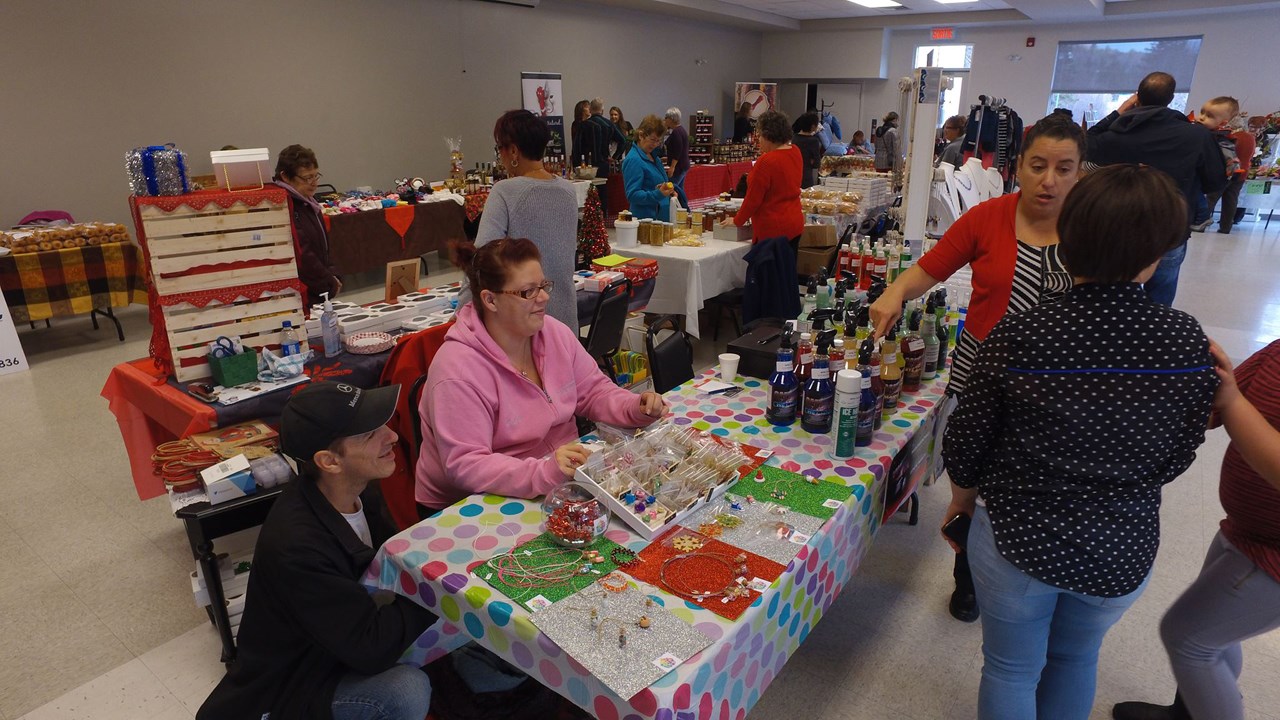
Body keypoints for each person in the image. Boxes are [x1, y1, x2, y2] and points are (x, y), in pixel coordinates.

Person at [944, 164, 1218, 720]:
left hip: (1019, 536)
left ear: (1066, 242)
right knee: (1076, 658)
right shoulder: (1185, 339)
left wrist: (962, 497)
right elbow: (1180, 451)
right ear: (1159, 253)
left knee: (1010, 669)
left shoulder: (1024, 332)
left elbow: (967, 438)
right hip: (1122, 542)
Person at [870, 114, 1087, 623]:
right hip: (981, 379)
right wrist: (894, 293)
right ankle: (968, 580)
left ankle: (1032, 579)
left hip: (1056, 392)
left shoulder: (1093, 228)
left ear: (1081, 173)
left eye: (1064, 168)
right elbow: (931, 266)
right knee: (970, 487)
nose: (1049, 180)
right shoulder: (989, 217)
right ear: (1019, 166)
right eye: (1038, 166)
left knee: (1037, 492)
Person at [199, 381, 436, 720]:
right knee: (404, 690)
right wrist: (439, 593)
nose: (392, 436)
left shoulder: (355, 490)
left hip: (334, 644)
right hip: (293, 685)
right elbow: (372, 649)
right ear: (329, 461)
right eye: (369, 434)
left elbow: (390, 563)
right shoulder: (298, 546)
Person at [415, 238, 666, 515]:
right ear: (490, 300)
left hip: (554, 479)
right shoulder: (458, 371)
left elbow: (593, 391)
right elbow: (467, 465)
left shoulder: (552, 333)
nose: (544, 297)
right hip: (470, 505)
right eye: (528, 292)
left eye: (543, 286)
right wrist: (544, 471)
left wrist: (634, 407)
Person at [1112, 339, 1280, 720]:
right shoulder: (1276, 353)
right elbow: (1212, 404)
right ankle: (1190, 710)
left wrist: (1234, 402)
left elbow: (1232, 403)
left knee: (1189, 638)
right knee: (1216, 634)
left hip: (1272, 555)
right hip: (1244, 530)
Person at [1085, 71, 1226, 306]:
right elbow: (1216, 182)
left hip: (1118, 225)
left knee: (1110, 295)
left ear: (1137, 98)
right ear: (1171, 99)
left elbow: (1088, 143)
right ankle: (1154, 339)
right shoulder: (1197, 136)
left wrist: (1119, 111)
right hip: (1170, 226)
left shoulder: (1117, 136)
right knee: (1160, 295)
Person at [470, 110, 580, 329]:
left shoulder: (505, 191)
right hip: (565, 317)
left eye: (499, 148)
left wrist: (462, 312)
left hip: (523, 319)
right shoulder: (568, 191)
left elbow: (481, 260)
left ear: (513, 151)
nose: (499, 155)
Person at [273, 144, 340, 306]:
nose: (314, 183)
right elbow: (303, 252)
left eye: (316, 176)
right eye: (307, 178)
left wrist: (332, 274)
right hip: (302, 292)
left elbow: (322, 246)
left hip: (318, 288)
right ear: (286, 177)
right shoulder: (285, 205)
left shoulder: (308, 202)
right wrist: (327, 281)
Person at [730, 110, 803, 245]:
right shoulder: (795, 151)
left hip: (772, 230)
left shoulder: (766, 161)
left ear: (768, 135)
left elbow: (753, 199)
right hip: (794, 224)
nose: (758, 139)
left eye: (759, 135)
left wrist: (736, 221)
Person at [1197, 96, 1255, 235]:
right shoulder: (1250, 138)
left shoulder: (1228, 137)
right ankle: (1225, 227)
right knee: (1231, 200)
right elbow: (1250, 156)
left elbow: (1226, 156)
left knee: (1211, 198)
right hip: (1241, 174)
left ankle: (1201, 222)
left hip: (1225, 173)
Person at [622, 114, 677, 221]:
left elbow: (655, 185)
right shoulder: (634, 160)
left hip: (660, 218)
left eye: (659, 141)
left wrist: (669, 191)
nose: (656, 144)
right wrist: (658, 194)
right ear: (641, 135)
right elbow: (632, 195)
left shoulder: (653, 156)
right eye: (653, 140)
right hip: (646, 221)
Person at [663, 107, 691, 210]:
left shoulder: (676, 132)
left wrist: (672, 167)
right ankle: (683, 210)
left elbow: (678, 150)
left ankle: (685, 209)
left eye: (666, 118)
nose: (665, 120)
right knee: (680, 189)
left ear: (671, 119)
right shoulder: (681, 130)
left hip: (678, 167)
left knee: (672, 187)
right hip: (684, 165)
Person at [791, 112, 824, 189]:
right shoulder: (813, 141)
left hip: (793, 176)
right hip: (806, 177)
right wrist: (811, 161)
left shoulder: (794, 138)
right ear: (813, 127)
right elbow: (817, 164)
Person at [570, 100, 592, 168]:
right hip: (580, 157)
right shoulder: (576, 124)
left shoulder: (589, 123)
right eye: (587, 107)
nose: (590, 109)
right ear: (582, 110)